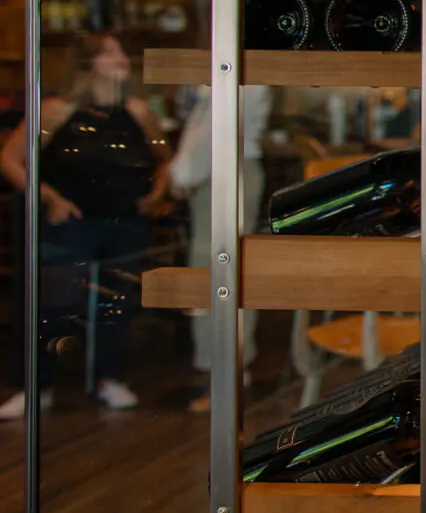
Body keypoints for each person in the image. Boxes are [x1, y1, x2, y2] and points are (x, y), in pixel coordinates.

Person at [1, 34, 172, 416]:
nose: (121, 58)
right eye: (110, 52)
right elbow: (12, 160)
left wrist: (156, 193)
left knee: (115, 304)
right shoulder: (55, 111)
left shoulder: (140, 111)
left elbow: (164, 157)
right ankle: (36, 387)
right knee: (54, 305)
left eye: (120, 50)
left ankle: (110, 379)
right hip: (71, 222)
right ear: (88, 63)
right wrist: (49, 197)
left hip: (125, 222)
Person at [169, 83, 273, 413]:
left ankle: (222, 378)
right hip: (231, 167)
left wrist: (184, 173)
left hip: (224, 169)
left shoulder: (236, 62)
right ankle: (231, 372)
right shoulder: (250, 62)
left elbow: (219, 127)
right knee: (229, 272)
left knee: (214, 274)